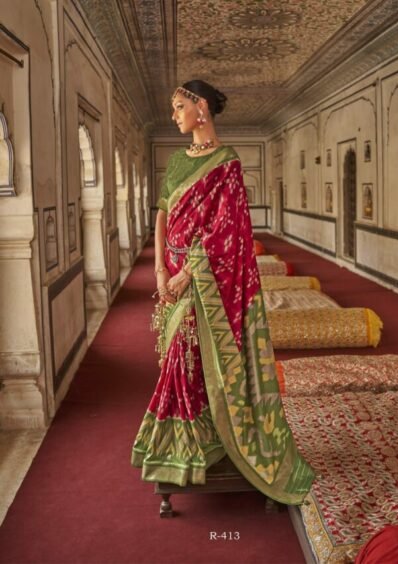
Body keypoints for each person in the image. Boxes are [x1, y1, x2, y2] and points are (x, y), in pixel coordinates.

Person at [131, 79, 314, 504]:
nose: (174, 115)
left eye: (179, 107)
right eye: (173, 108)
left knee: (192, 359)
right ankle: (192, 445)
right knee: (178, 356)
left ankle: (207, 443)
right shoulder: (177, 162)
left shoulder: (227, 163)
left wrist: (189, 274)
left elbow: (229, 231)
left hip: (202, 280)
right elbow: (161, 215)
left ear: (202, 109)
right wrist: (160, 270)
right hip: (173, 273)